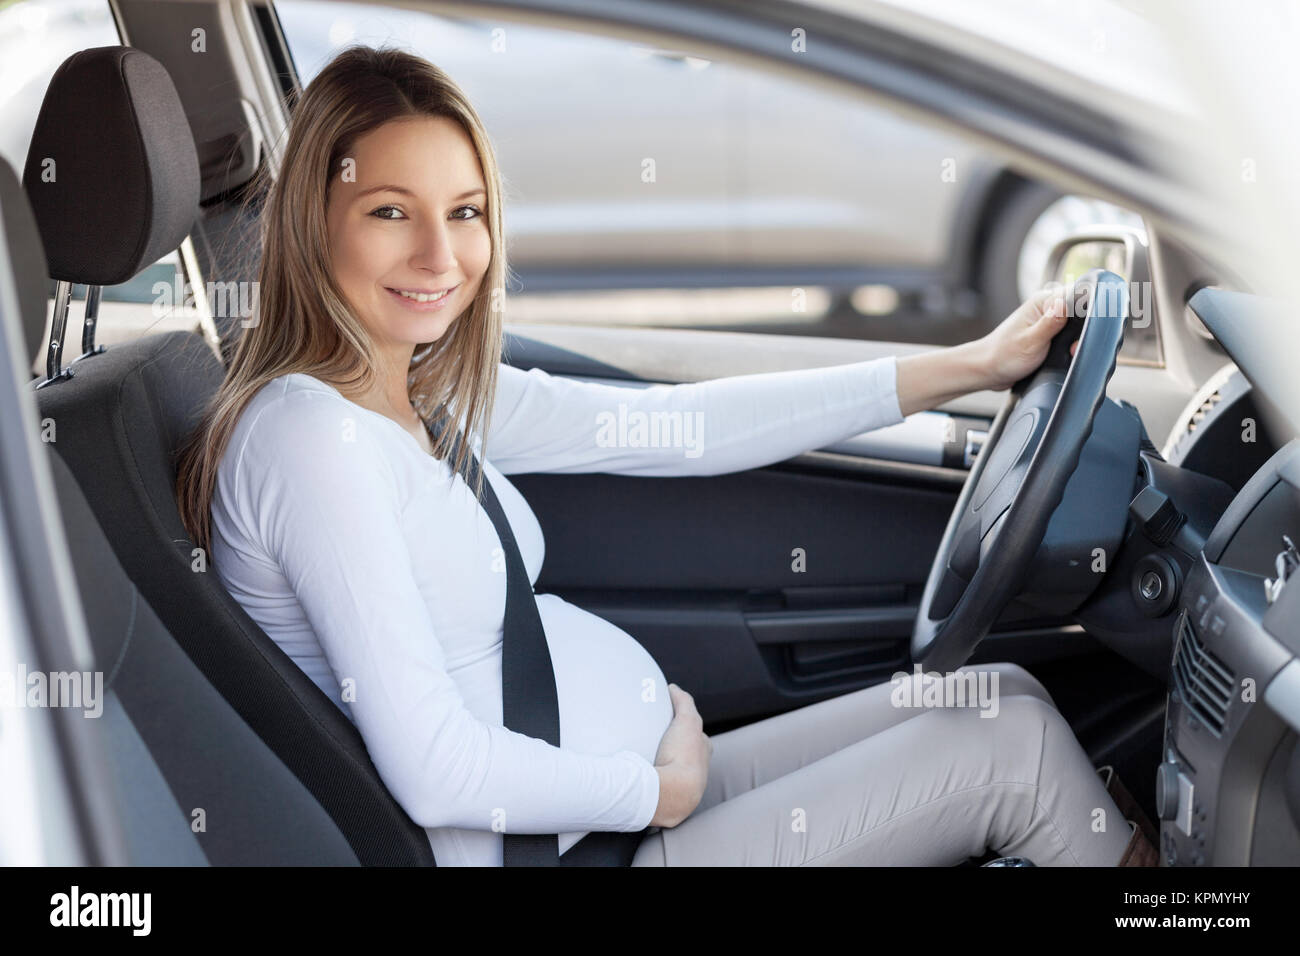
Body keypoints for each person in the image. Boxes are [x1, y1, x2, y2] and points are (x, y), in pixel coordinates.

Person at [175, 45, 1154, 867]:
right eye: (392, 211)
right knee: (1012, 748)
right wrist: (654, 787)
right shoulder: (311, 440)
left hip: (624, 797)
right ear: (315, 220)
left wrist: (971, 365)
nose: (441, 255)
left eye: (465, 211)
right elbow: (432, 763)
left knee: (1004, 693)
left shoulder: (418, 391)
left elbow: (686, 429)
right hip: (583, 842)